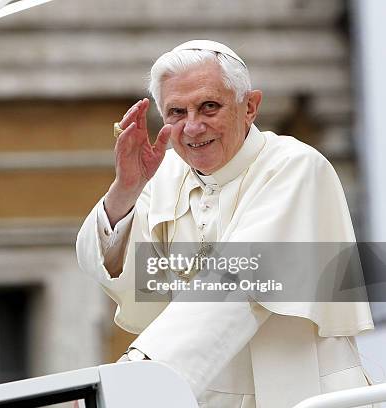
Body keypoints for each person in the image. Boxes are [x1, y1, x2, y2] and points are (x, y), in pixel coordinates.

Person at [76, 40, 375, 408]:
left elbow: (240, 279)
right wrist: (125, 190)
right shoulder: (163, 175)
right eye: (176, 112)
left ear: (249, 107)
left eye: (209, 107)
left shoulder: (295, 167)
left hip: (303, 390)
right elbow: (128, 279)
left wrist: (141, 374)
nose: (193, 127)